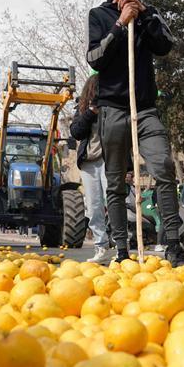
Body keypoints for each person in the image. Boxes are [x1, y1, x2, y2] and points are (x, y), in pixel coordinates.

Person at [86, 0, 184, 266]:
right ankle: (121, 249)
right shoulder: (99, 14)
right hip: (113, 108)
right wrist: (120, 24)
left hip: (145, 108)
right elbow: (95, 59)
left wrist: (142, 17)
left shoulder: (150, 13)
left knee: (164, 168)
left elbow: (165, 46)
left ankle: (173, 244)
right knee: (116, 181)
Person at [70, 73, 115, 263]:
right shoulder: (82, 108)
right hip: (88, 164)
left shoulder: (112, 107)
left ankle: (120, 243)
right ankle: (101, 246)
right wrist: (90, 112)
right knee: (94, 207)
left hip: (108, 160)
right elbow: (76, 132)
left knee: (114, 201)